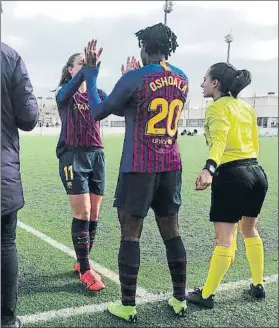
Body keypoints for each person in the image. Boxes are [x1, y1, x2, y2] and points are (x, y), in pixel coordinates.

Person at [83, 22, 189, 321]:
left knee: (130, 234)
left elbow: (98, 111)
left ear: (144, 48)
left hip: (139, 166)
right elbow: (133, 108)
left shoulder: (137, 77)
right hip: (171, 165)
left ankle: (128, 306)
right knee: (172, 232)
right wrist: (125, 84)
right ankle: (180, 299)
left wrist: (92, 74)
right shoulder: (182, 78)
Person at [186, 62, 268, 309]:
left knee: (224, 240)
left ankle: (207, 295)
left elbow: (219, 140)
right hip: (257, 174)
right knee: (250, 231)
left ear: (215, 84)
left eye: (204, 79)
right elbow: (255, 143)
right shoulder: (246, 107)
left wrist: (209, 169)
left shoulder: (216, 108)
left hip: (232, 175)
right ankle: (258, 284)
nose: (201, 84)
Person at [54, 51, 107, 292]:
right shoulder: (65, 93)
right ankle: (86, 269)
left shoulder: (96, 93)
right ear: (70, 70)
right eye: (80, 64)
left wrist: (132, 76)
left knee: (94, 214)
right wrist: (88, 69)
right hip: (72, 155)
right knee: (82, 212)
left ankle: (81, 260)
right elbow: (67, 91)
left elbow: (116, 102)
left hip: (97, 155)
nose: (86, 67)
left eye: (89, 65)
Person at [1, 3, 39, 327]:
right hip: (2, 174)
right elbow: (29, 118)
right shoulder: (10, 58)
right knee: (5, 244)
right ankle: (7, 318)